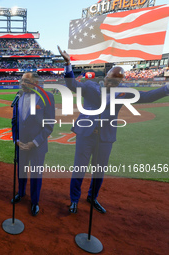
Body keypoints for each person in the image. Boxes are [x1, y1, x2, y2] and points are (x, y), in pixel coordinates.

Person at [57, 46, 169, 214]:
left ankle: (92, 197)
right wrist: (68, 64)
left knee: (99, 172)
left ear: (120, 82)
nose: (112, 83)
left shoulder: (123, 94)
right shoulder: (90, 87)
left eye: (116, 82)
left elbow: (147, 96)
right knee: (79, 168)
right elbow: (71, 84)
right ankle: (74, 200)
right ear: (106, 76)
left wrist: (166, 88)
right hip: (86, 135)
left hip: (105, 138)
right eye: (111, 79)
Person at [11, 72, 55, 216]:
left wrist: (34, 143)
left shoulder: (47, 97)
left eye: (27, 81)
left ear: (36, 82)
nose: (23, 83)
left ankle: (35, 201)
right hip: (21, 144)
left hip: (37, 145)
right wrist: (16, 140)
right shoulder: (19, 96)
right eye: (22, 80)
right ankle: (21, 193)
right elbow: (14, 122)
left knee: (36, 174)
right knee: (21, 171)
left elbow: (49, 125)